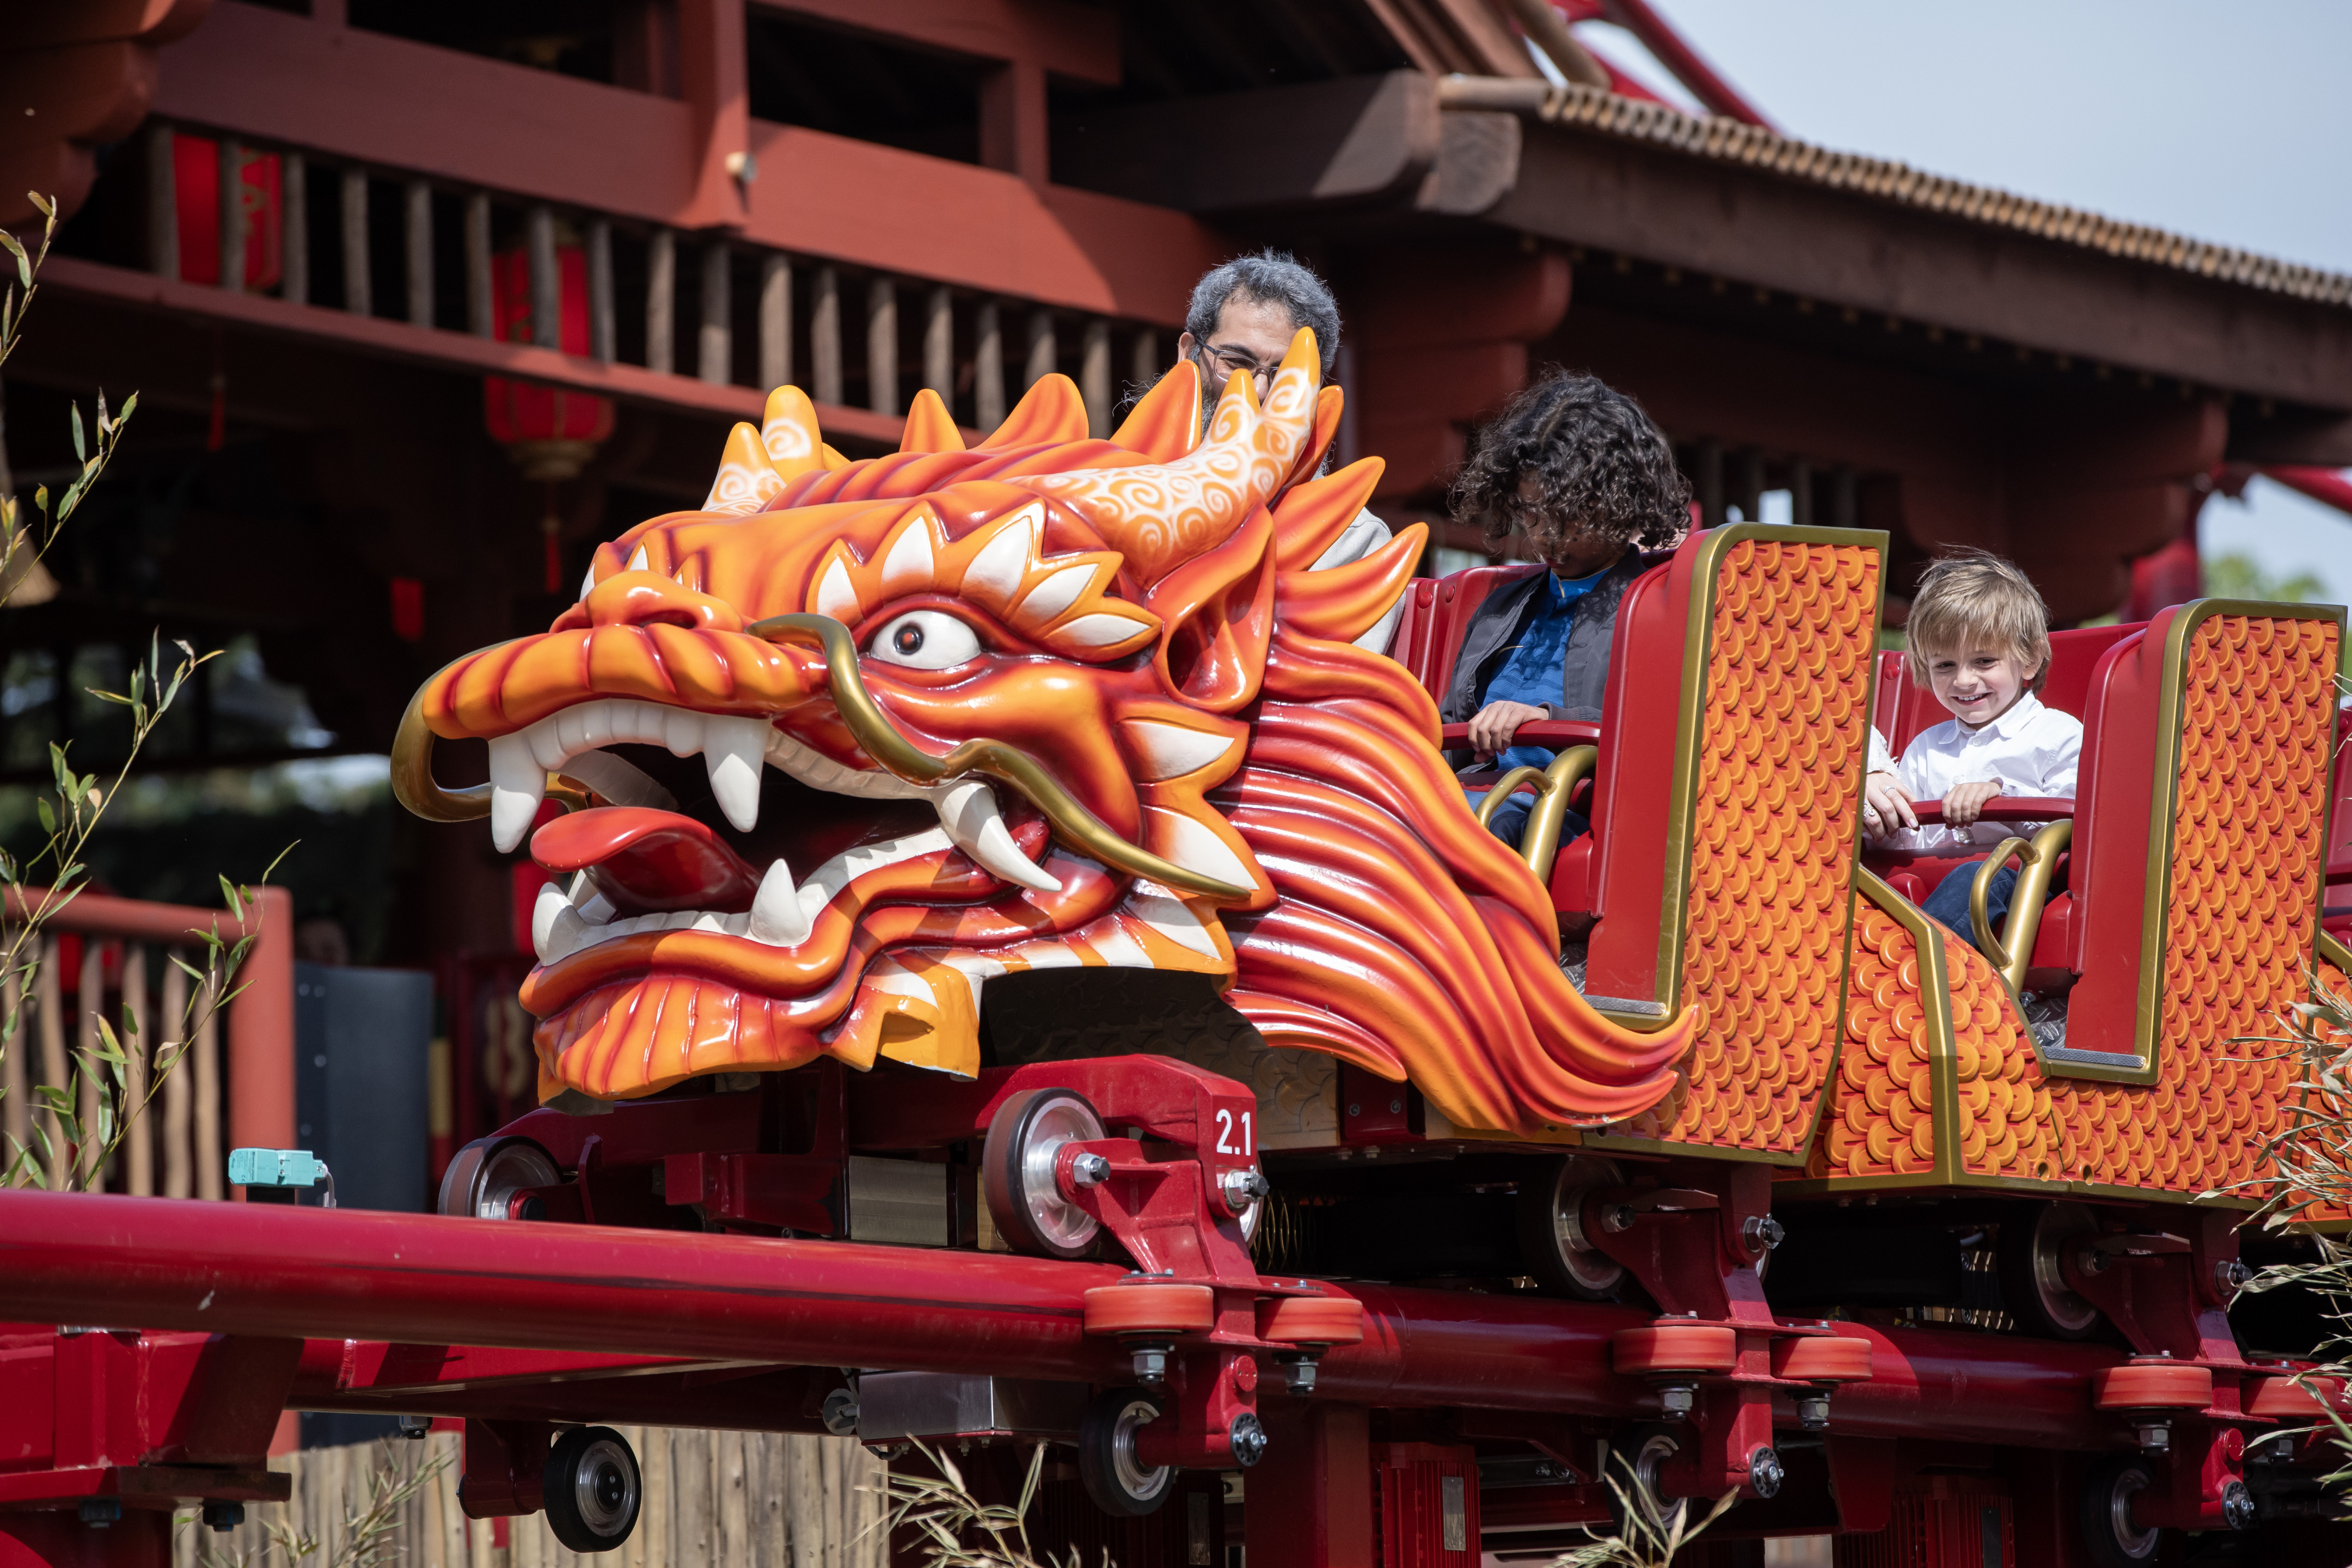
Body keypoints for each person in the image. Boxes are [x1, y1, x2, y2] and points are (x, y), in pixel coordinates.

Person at [1443, 371, 1690, 848]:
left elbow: (1656, 734)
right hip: (1481, 792)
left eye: (1569, 516)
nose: (1547, 536)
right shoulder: (1504, 605)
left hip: (1570, 804)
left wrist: (1544, 715)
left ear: (1620, 504)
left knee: (1480, 819)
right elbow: (1449, 723)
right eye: (1532, 513)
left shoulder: (1657, 607)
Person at [1175, 251, 1404, 653]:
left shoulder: (1351, 540)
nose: (1258, 392)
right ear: (1188, 354)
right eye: (1237, 363)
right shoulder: (1126, 482)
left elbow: (1330, 690)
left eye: (1286, 377)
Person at [1862, 549, 2082, 952]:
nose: (1964, 680)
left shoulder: (2057, 735)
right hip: (1933, 885)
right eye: (1945, 666)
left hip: (2029, 885)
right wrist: (1880, 822)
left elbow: (2080, 827)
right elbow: (1912, 842)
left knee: (1974, 879)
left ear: (2030, 659)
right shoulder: (1926, 747)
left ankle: (1920, 979)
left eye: (1984, 661)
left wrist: (2001, 801)